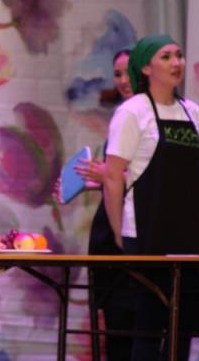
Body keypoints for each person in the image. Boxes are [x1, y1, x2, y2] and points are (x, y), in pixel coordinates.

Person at [103, 34, 199, 361]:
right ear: (146, 68)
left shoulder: (193, 112)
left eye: (179, 55)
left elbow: (194, 172)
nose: (176, 63)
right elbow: (112, 177)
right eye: (166, 57)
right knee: (149, 326)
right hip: (145, 233)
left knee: (184, 326)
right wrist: (119, 233)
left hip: (186, 236)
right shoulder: (132, 112)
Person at [57, 48, 135, 360]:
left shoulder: (153, 119)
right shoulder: (122, 117)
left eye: (129, 72)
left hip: (134, 235)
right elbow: (117, 178)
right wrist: (88, 181)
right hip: (108, 237)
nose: (123, 80)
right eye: (117, 74)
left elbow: (155, 178)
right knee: (115, 330)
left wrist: (109, 175)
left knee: (137, 329)